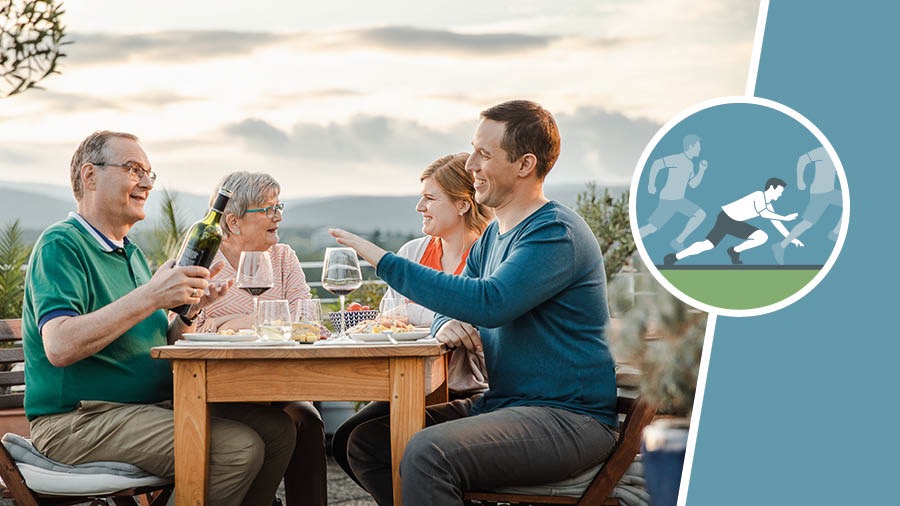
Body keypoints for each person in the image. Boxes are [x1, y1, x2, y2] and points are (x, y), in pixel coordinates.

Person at [331, 100, 619, 505]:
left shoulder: (554, 233)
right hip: (506, 404)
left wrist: (384, 261)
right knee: (366, 440)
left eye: (484, 154)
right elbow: (454, 305)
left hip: (568, 418)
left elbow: (489, 302)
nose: (470, 165)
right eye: (472, 151)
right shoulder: (492, 236)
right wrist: (442, 324)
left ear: (524, 164)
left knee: (427, 452)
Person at [22, 131, 296, 506]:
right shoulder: (62, 245)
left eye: (151, 173)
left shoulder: (131, 254)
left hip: (145, 410)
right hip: (78, 421)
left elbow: (155, 342)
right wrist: (152, 294)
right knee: (237, 448)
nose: (147, 183)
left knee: (279, 429)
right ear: (90, 176)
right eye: (134, 170)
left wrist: (189, 313)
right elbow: (60, 345)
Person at [331, 152, 492, 487]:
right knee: (345, 439)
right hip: (413, 383)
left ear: (463, 204)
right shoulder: (413, 253)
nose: (420, 207)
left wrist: (420, 315)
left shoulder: (486, 258)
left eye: (430, 198)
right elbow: (393, 318)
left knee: (366, 443)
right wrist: (441, 319)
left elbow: (475, 325)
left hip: (470, 389)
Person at [194, 171, 327, 506]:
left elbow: (306, 317)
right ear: (234, 222)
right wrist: (234, 324)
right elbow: (185, 328)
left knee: (307, 420)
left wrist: (231, 323)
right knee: (290, 422)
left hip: (276, 386)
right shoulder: (203, 261)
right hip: (217, 393)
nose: (278, 216)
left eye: (278, 206)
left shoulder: (283, 257)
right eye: (267, 209)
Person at [663, 177, 803, 266]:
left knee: (762, 237)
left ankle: (734, 251)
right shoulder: (758, 196)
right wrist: (785, 217)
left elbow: (776, 223)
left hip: (737, 224)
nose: (780, 194)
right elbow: (765, 214)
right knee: (707, 245)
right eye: (780, 191)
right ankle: (675, 257)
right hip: (725, 219)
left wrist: (791, 238)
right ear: (771, 188)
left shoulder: (769, 206)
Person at [772, 146, 842, 264]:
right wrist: (800, 181)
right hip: (819, 193)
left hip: (830, 192)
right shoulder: (823, 151)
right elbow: (802, 159)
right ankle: (781, 246)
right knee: (807, 223)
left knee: (849, 206)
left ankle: (835, 233)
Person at [638, 134, 709, 251]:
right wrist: (651, 184)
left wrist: (701, 170)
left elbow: (692, 184)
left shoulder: (690, 164)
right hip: (668, 200)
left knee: (700, 214)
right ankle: (634, 240)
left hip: (680, 200)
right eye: (698, 146)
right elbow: (656, 164)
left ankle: (678, 241)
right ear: (691, 146)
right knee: (652, 228)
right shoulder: (677, 159)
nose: (700, 149)